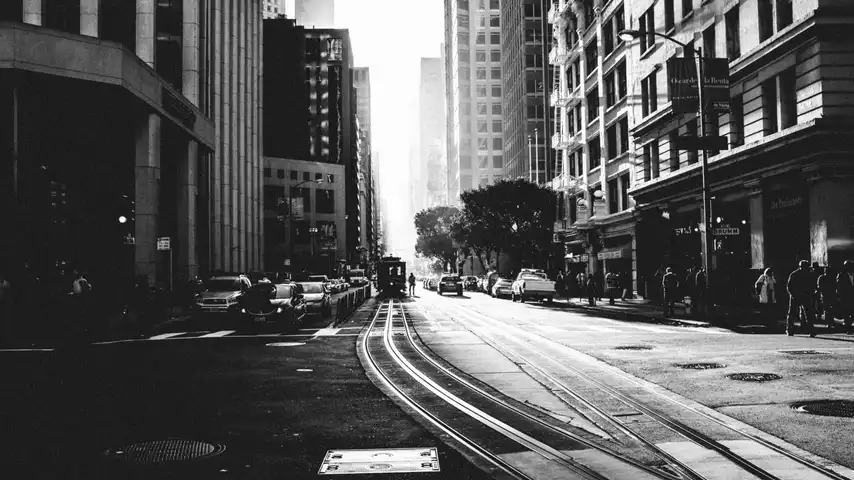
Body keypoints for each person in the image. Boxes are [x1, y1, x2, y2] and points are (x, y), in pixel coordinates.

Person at [786, 260, 816, 337]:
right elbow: (789, 286)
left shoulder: (809, 274)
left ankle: (811, 330)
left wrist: (810, 293)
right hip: (795, 296)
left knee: (809, 314)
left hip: (805, 296)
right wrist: (793, 295)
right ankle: (790, 330)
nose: (805, 269)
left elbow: (812, 285)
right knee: (792, 313)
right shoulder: (794, 274)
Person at [836, 260, 854, 334]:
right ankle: (848, 328)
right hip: (846, 297)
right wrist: (839, 296)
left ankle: (849, 324)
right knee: (846, 313)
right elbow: (838, 286)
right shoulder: (841, 275)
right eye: (848, 266)